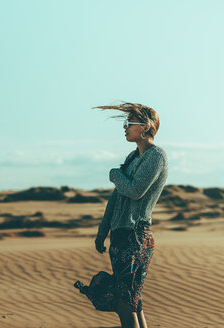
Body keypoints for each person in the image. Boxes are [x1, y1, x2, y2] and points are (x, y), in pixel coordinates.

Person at [79, 102, 168, 328]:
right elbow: (116, 197)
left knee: (124, 303)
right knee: (132, 302)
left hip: (135, 236)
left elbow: (135, 191)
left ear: (146, 126)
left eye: (130, 123)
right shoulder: (132, 158)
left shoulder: (156, 156)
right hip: (121, 236)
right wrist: (103, 231)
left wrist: (115, 174)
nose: (125, 127)